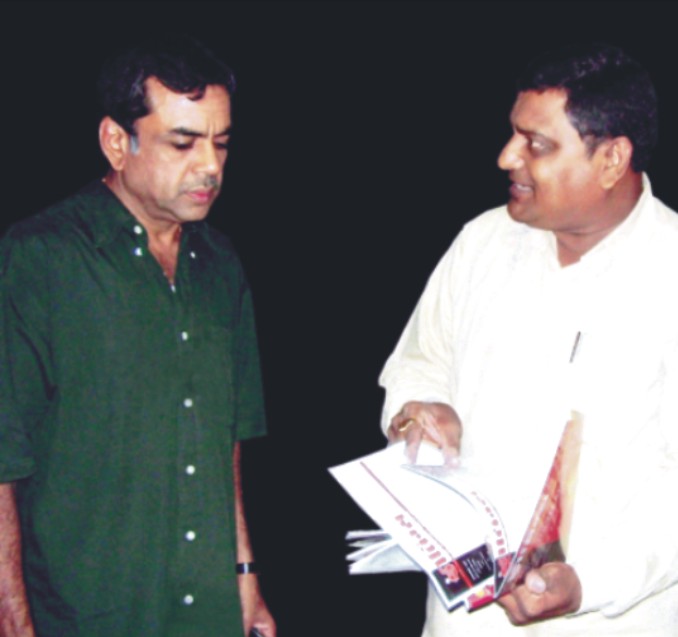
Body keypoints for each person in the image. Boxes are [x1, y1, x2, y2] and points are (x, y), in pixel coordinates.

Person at [379, 42, 678, 636]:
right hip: (463, 621)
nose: (506, 157)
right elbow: (419, 362)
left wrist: (587, 582)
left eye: (536, 144)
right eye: (513, 134)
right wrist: (419, 412)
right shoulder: (483, 244)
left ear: (612, 160)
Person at [0, 35, 275, 637]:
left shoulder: (221, 265)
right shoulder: (38, 259)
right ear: (116, 142)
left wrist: (244, 576)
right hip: (89, 613)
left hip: (207, 612)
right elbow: (3, 455)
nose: (210, 166)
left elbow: (226, 441)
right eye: (183, 142)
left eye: (221, 143)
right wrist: (12, 618)